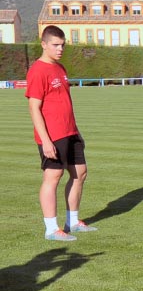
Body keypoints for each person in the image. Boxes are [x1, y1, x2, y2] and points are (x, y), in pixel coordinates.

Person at [26, 25, 96, 241]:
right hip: (52, 136)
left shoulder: (60, 68)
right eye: (55, 45)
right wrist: (46, 141)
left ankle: (72, 221)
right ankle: (51, 228)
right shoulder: (37, 70)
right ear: (44, 44)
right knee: (53, 176)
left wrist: (76, 131)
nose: (60, 49)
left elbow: (64, 103)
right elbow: (34, 108)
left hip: (70, 131)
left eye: (62, 45)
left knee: (80, 172)